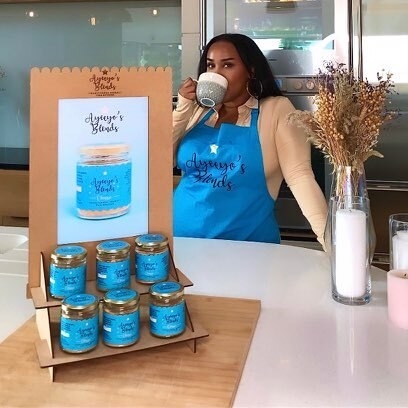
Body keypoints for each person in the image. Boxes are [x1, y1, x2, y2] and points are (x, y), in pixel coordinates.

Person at [172, 33, 328, 247]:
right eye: (211, 66)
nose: (217, 74)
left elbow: (300, 177)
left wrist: (333, 246)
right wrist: (182, 109)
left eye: (227, 66)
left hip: (249, 250)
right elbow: (158, 160)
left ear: (250, 70)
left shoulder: (276, 109)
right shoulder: (198, 111)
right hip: (181, 243)